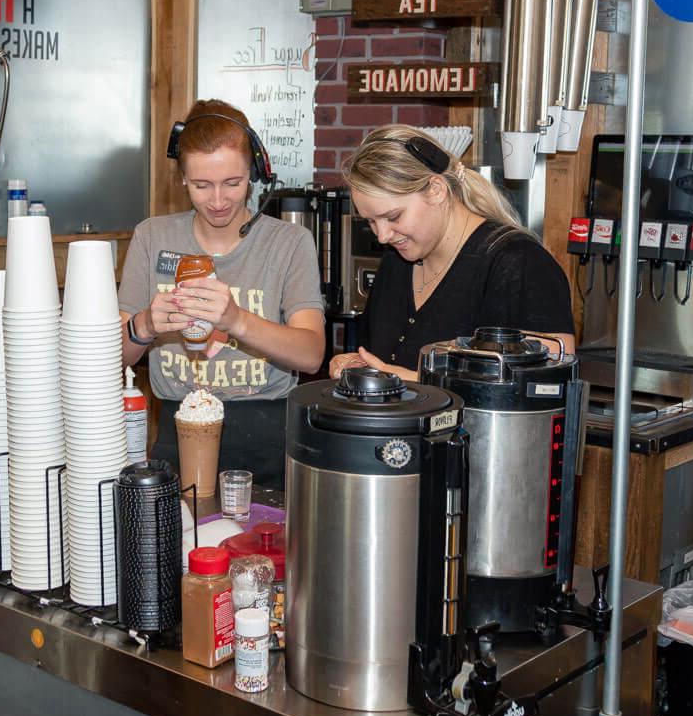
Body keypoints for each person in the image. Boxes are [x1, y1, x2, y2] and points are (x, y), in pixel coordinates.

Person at [118, 99, 325, 481]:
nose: (217, 201)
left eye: (233, 183)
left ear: (255, 174)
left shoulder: (291, 243)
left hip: (268, 437)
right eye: (201, 185)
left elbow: (311, 354)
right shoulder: (152, 237)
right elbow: (115, 360)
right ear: (181, 179)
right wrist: (144, 325)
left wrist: (236, 320)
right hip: (175, 432)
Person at [328, 126, 574, 381]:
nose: (382, 236)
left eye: (393, 217)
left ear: (436, 190)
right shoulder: (397, 261)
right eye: (371, 222)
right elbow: (381, 359)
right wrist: (355, 363)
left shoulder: (519, 264)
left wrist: (416, 381)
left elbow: (548, 383)